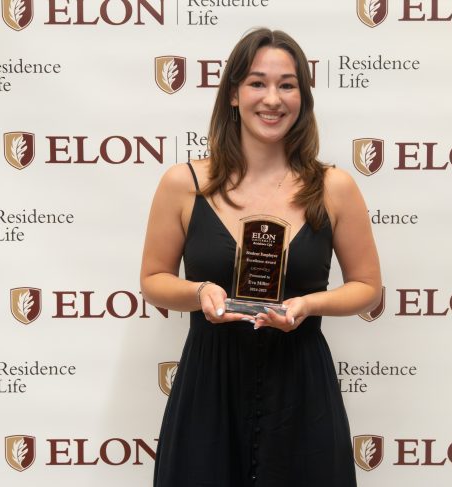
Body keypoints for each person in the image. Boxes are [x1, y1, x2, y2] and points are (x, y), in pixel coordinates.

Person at [140, 27, 381, 487]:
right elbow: (153, 278)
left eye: (287, 85)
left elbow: (368, 289)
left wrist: (308, 304)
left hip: (302, 386)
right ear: (233, 94)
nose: (273, 99)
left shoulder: (334, 187)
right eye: (257, 83)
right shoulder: (183, 183)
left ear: (303, 98)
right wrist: (200, 291)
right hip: (208, 386)